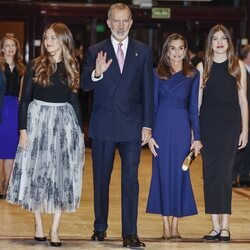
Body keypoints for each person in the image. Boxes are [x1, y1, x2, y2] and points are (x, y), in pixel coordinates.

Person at [81, 3, 153, 248]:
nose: (121, 26)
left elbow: (148, 91)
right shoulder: (95, 51)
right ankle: (99, 227)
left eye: (125, 21)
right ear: (108, 22)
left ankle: (130, 233)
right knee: (101, 180)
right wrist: (97, 73)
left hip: (132, 126)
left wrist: (148, 125)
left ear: (131, 22)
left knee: (130, 181)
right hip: (103, 125)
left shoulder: (142, 51)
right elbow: (84, 85)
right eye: (116, 21)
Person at [6, 23, 85, 247]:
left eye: (53, 38)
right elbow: (24, 101)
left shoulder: (71, 65)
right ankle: (39, 225)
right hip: (38, 122)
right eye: (46, 37)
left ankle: (55, 229)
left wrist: (79, 133)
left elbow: (75, 102)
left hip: (63, 124)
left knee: (61, 176)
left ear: (63, 40)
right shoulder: (35, 65)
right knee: (37, 175)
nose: (48, 41)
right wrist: (23, 130)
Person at [146, 33, 202, 240]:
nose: (177, 52)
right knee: (161, 176)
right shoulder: (155, 73)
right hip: (161, 128)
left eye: (180, 48)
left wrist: (197, 137)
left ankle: (176, 225)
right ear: (166, 51)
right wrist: (149, 133)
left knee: (180, 175)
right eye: (173, 48)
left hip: (180, 129)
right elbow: (151, 106)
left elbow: (193, 110)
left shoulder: (192, 75)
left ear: (185, 51)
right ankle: (164, 226)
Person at [197, 24, 248, 242]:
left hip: (230, 128)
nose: (219, 42)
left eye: (223, 38)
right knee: (210, 176)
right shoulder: (203, 67)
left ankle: (225, 227)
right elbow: (197, 105)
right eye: (215, 38)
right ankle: (215, 226)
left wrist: (245, 129)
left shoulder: (237, 66)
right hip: (208, 128)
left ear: (229, 42)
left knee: (225, 177)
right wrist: (195, 134)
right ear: (210, 43)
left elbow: (243, 100)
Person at [0, 33, 25, 199]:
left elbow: (23, 92)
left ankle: (7, 187)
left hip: (14, 111)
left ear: (16, 49)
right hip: (1, 108)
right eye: (7, 45)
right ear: (2, 49)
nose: (10, 48)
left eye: (13, 45)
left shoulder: (22, 68)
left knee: (10, 150)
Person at [232, 44, 250, 188]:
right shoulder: (238, 69)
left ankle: (244, 177)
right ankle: (232, 177)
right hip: (239, 114)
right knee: (238, 147)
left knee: (248, 148)